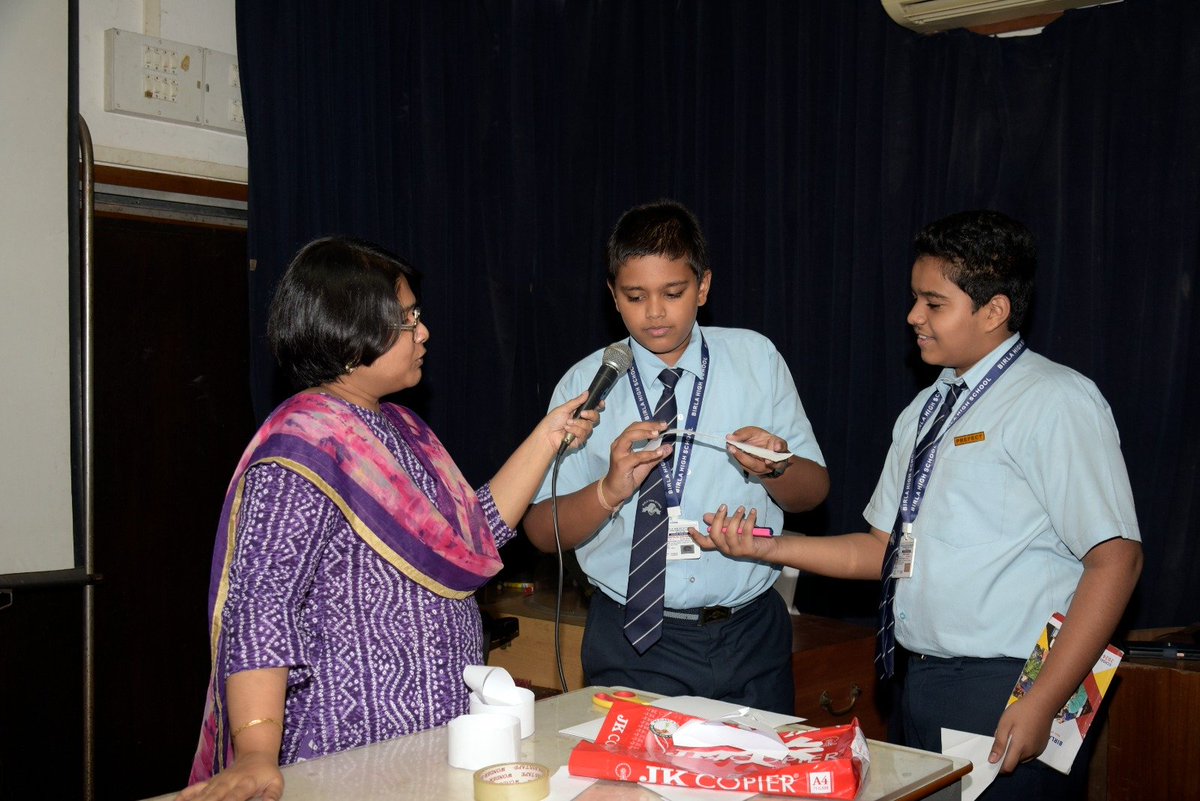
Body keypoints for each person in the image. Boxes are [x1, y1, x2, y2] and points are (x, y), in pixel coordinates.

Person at [692, 210, 1143, 800]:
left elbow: (1117, 560)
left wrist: (1042, 699)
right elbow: (880, 550)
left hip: (1012, 684)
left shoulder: (1055, 400)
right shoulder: (927, 410)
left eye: (934, 303)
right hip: (922, 681)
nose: (913, 317)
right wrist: (762, 547)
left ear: (994, 311)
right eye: (914, 299)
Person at [179, 236, 598, 801]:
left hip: (436, 740)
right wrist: (255, 752)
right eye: (407, 320)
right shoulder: (302, 449)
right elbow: (260, 604)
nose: (423, 332)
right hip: (348, 754)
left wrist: (549, 436)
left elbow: (470, 534)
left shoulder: (404, 428)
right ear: (353, 330)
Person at [522, 199, 829, 714]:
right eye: (635, 296)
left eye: (674, 292)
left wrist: (775, 467)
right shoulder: (585, 385)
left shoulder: (755, 358)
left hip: (748, 633)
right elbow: (539, 529)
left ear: (703, 287)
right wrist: (607, 492)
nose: (656, 312)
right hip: (631, 636)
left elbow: (814, 493)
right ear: (613, 297)